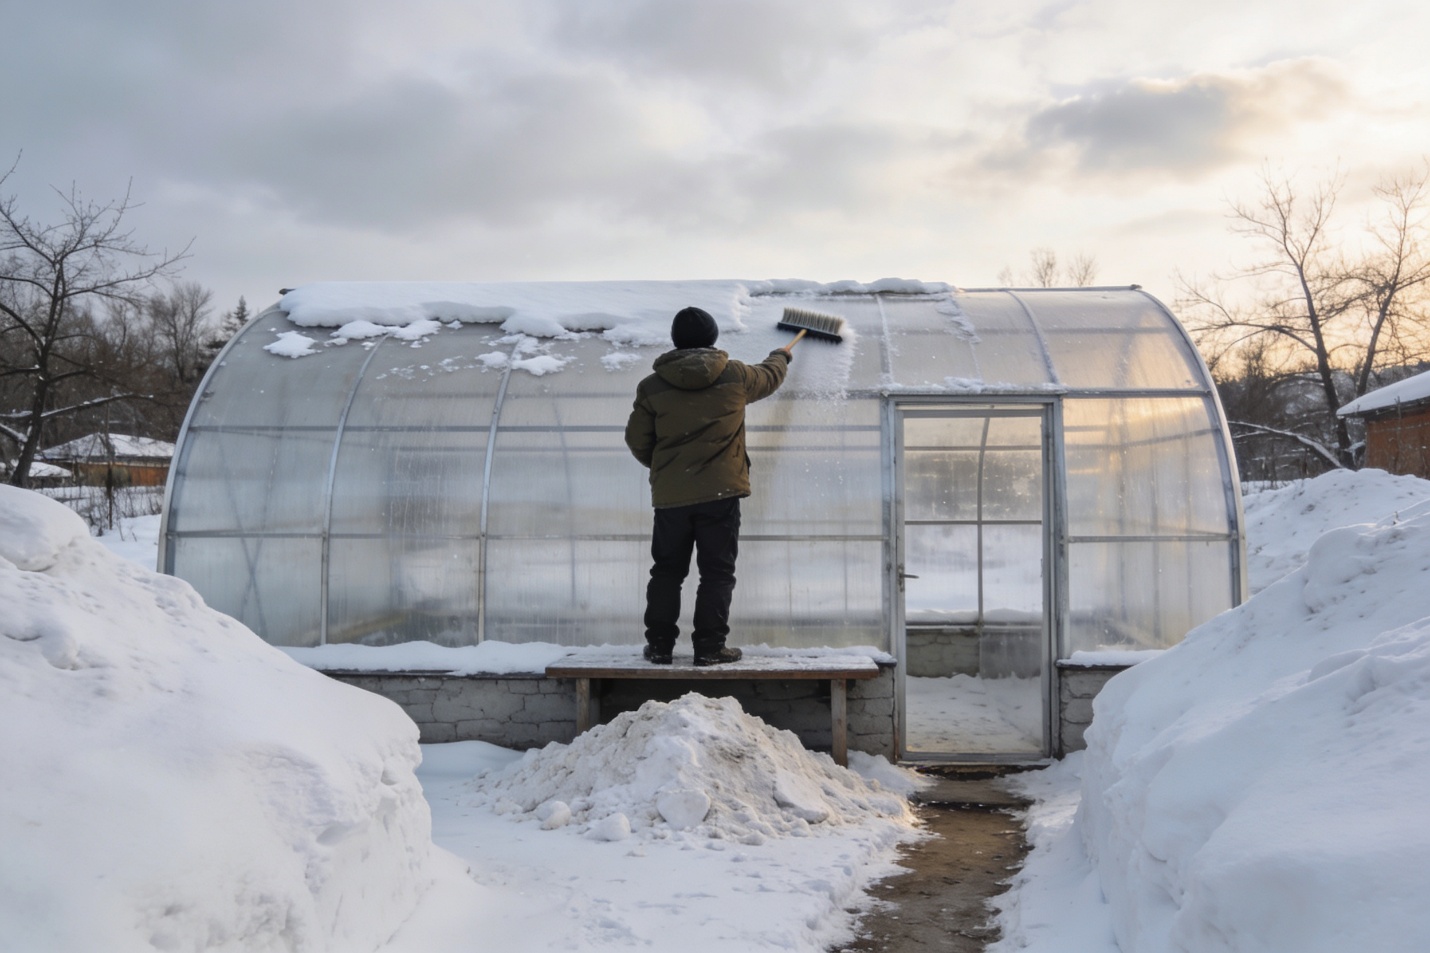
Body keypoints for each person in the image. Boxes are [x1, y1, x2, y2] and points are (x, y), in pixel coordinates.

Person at [624, 306, 792, 665]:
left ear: (675, 340)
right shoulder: (735, 376)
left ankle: (659, 647)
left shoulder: (652, 386)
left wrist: (666, 468)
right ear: (713, 337)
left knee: (667, 572)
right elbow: (770, 376)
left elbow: (637, 438)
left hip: (671, 498)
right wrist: (781, 355)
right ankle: (710, 647)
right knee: (717, 572)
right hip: (721, 494)